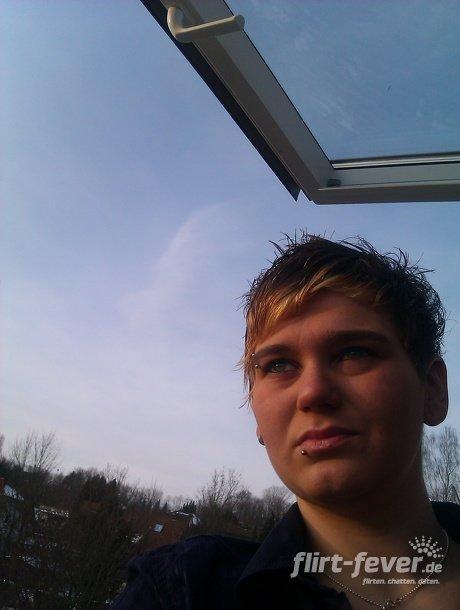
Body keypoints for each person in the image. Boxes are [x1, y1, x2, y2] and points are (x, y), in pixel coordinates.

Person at [110, 233, 460, 610]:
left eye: (354, 353)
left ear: (432, 389)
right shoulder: (180, 591)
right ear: (257, 419)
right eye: (279, 365)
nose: (312, 392)